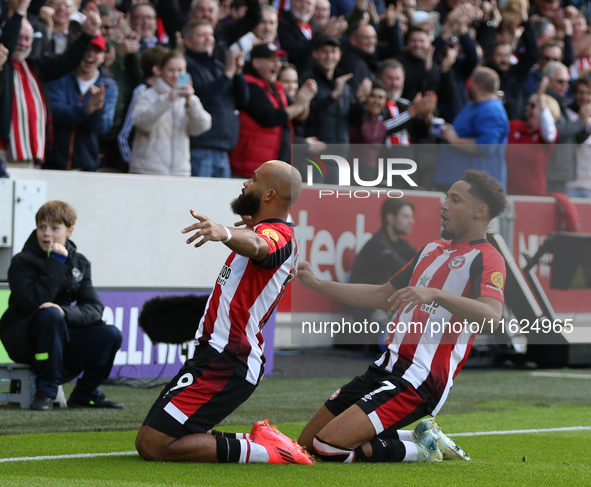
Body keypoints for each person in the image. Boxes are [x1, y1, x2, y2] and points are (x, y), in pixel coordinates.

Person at [296, 169, 507, 464]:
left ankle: (423, 451)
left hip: (419, 378)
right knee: (305, 445)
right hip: (385, 367)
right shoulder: (431, 250)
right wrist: (318, 285)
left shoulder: (487, 257)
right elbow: (383, 295)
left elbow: (492, 316)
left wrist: (437, 294)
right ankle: (420, 436)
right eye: (446, 197)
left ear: (480, 211)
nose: (443, 205)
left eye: (455, 200)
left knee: (329, 447)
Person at [135, 160, 313, 465]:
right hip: (216, 355)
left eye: (253, 178)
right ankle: (258, 442)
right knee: (151, 439)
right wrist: (247, 224)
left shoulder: (276, 235)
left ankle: (268, 451)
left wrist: (226, 232)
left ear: (270, 194)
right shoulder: (271, 229)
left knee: (154, 445)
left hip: (229, 359)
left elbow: (261, 245)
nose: (245, 183)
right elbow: (260, 238)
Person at [0, 200, 123, 411]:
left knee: (110, 334)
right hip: (23, 338)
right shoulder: (22, 261)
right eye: (41, 227)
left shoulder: (80, 263)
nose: (46, 234)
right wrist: (56, 261)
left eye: (54, 228)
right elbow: (33, 302)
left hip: (60, 334)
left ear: (70, 231)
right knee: (49, 315)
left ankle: (86, 393)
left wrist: (65, 312)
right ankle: (45, 392)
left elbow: (94, 308)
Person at [0, 1, 101, 169]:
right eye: (19, 38)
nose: (23, 43)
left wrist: (87, 35)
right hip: (4, 151)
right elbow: (8, 43)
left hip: (30, 154)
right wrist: (20, 11)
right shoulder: (4, 68)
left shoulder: (35, 66)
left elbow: (66, 62)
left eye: (27, 39)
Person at [229, 42, 317, 178]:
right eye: (272, 60)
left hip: (271, 167)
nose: (277, 65)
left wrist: (305, 101)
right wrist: (299, 105)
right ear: (256, 63)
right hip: (249, 167)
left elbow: (299, 117)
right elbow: (269, 117)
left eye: (279, 61)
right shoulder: (249, 84)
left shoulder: (276, 88)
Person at [182, 19, 248, 178]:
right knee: (198, 200)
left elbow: (243, 100)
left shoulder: (218, 65)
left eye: (210, 35)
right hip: (200, 146)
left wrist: (237, 74)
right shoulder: (184, 65)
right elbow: (199, 95)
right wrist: (227, 75)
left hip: (223, 148)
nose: (208, 39)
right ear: (187, 41)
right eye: (201, 35)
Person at [43, 33, 119, 171]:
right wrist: (85, 110)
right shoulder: (60, 76)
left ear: (104, 57)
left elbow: (102, 128)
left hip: (87, 166)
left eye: (97, 50)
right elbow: (53, 112)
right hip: (53, 163)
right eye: (87, 48)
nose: (90, 54)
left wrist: (98, 110)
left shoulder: (109, 86)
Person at [130, 50, 211, 176]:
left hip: (179, 172)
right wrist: (168, 99)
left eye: (180, 71)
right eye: (170, 70)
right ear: (160, 71)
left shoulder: (190, 99)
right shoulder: (147, 95)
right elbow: (141, 123)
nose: (176, 75)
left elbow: (202, 127)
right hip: (147, 170)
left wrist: (191, 104)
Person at [347, 198, 416, 340]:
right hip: (366, 311)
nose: (411, 221)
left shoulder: (403, 246)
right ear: (390, 218)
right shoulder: (377, 244)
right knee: (397, 282)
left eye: (411, 217)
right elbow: (403, 270)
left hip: (386, 307)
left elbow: (424, 267)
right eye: (405, 216)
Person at [434, 67, 509, 190]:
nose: (467, 85)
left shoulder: (492, 110)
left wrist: (456, 140)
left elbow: (486, 145)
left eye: (471, 82)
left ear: (478, 86)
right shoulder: (473, 105)